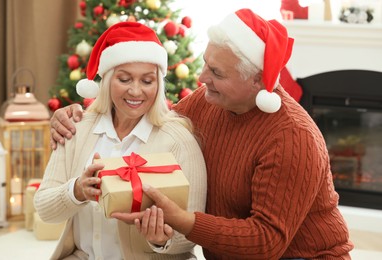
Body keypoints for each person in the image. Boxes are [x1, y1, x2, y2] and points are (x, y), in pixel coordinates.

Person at [49, 9, 354, 260]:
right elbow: (151, 120)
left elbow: (266, 242)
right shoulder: (207, 102)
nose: (201, 77)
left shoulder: (292, 138)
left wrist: (181, 220)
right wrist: (79, 115)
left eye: (217, 73)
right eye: (207, 63)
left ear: (258, 82)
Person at [34, 21, 207, 260]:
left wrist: (161, 239)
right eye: (124, 79)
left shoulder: (179, 141)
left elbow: (193, 232)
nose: (136, 91)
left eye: (147, 81)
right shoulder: (75, 128)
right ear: (106, 80)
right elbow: (44, 209)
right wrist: (77, 191)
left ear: (158, 83)